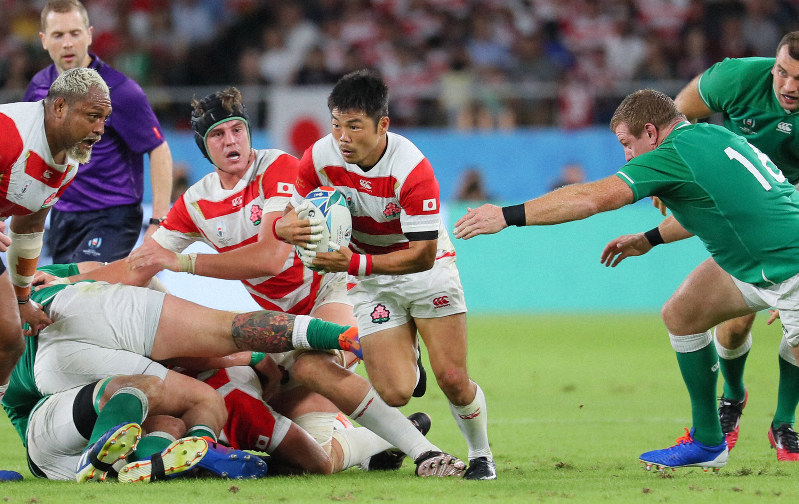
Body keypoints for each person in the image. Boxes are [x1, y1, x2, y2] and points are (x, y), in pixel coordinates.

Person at [454, 89, 799, 472]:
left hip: (789, 268)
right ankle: (707, 441)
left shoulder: (672, 154)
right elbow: (712, 208)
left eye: (627, 144)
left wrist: (507, 215)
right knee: (683, 314)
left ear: (651, 133)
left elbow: (593, 198)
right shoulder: (714, 137)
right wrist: (649, 238)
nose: (627, 156)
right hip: (762, 260)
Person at [125, 87, 462, 478]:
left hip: (329, 290)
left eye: (237, 129)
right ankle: (378, 441)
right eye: (218, 134)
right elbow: (140, 263)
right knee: (316, 458)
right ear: (204, 146)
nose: (231, 140)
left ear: (250, 132)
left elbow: (268, 258)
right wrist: (71, 276)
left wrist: (182, 261)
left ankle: (424, 450)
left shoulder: (278, 167)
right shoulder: (197, 202)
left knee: (311, 366)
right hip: (278, 322)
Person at [282, 70, 495, 479]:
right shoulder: (318, 159)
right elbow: (294, 216)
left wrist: (352, 264)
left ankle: (480, 454)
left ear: (383, 125)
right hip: (370, 279)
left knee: (452, 378)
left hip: (425, 272)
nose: (342, 137)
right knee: (395, 392)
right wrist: (286, 228)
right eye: (336, 124)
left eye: (354, 126)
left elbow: (421, 256)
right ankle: (408, 355)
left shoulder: (412, 169)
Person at [668, 31, 799, 461]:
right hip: (739, 217)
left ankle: (783, 424)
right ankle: (733, 400)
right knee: (735, 321)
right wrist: (665, 167)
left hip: (791, 224)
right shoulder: (737, 78)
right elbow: (678, 115)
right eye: (782, 71)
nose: (788, 86)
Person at [25, 0, 173, 264]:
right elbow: (27, 150)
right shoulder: (38, 87)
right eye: (58, 35)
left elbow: (158, 148)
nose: (67, 43)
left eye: (75, 33)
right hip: (61, 216)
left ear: (90, 34)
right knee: (68, 298)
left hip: (113, 216)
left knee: (79, 287)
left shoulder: (120, 90)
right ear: (44, 40)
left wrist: (159, 221)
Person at [0, 66, 111, 392]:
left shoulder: (68, 166)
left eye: (105, 119)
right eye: (93, 116)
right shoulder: (10, 131)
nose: (100, 129)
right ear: (60, 107)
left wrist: (23, 300)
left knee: (10, 341)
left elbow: (30, 227)